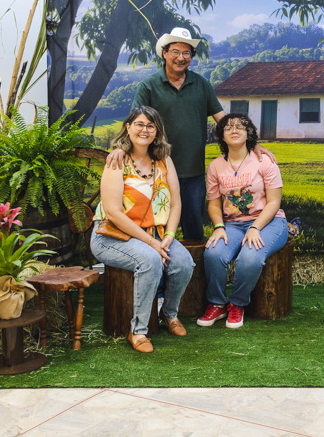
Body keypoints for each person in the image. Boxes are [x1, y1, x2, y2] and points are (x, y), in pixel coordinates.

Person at [107, 26, 272, 244]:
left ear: (191, 57)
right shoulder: (149, 86)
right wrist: (121, 147)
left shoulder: (201, 84)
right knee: (157, 224)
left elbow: (223, 120)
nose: (181, 58)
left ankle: (194, 265)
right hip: (157, 169)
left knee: (194, 228)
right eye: (175, 51)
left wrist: (251, 143)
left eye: (186, 53)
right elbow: (135, 122)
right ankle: (159, 261)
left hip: (193, 170)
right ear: (164, 53)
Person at [91, 106, 194, 353]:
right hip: (112, 235)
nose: (144, 130)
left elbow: (176, 203)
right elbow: (113, 213)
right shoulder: (117, 161)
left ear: (157, 131)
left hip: (156, 234)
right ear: (128, 127)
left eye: (150, 126)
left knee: (184, 264)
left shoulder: (164, 160)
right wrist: (151, 244)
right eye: (139, 124)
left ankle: (168, 314)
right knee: (150, 260)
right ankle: (138, 330)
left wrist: (169, 236)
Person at [197, 113, 288, 329]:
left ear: (249, 133)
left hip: (268, 221)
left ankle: (237, 303)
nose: (234, 130)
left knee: (250, 257)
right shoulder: (215, 166)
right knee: (213, 253)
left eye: (240, 126)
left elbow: (274, 202)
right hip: (233, 224)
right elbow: (214, 203)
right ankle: (217, 303)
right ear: (222, 136)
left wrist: (255, 227)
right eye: (228, 128)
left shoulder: (264, 161)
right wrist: (219, 227)